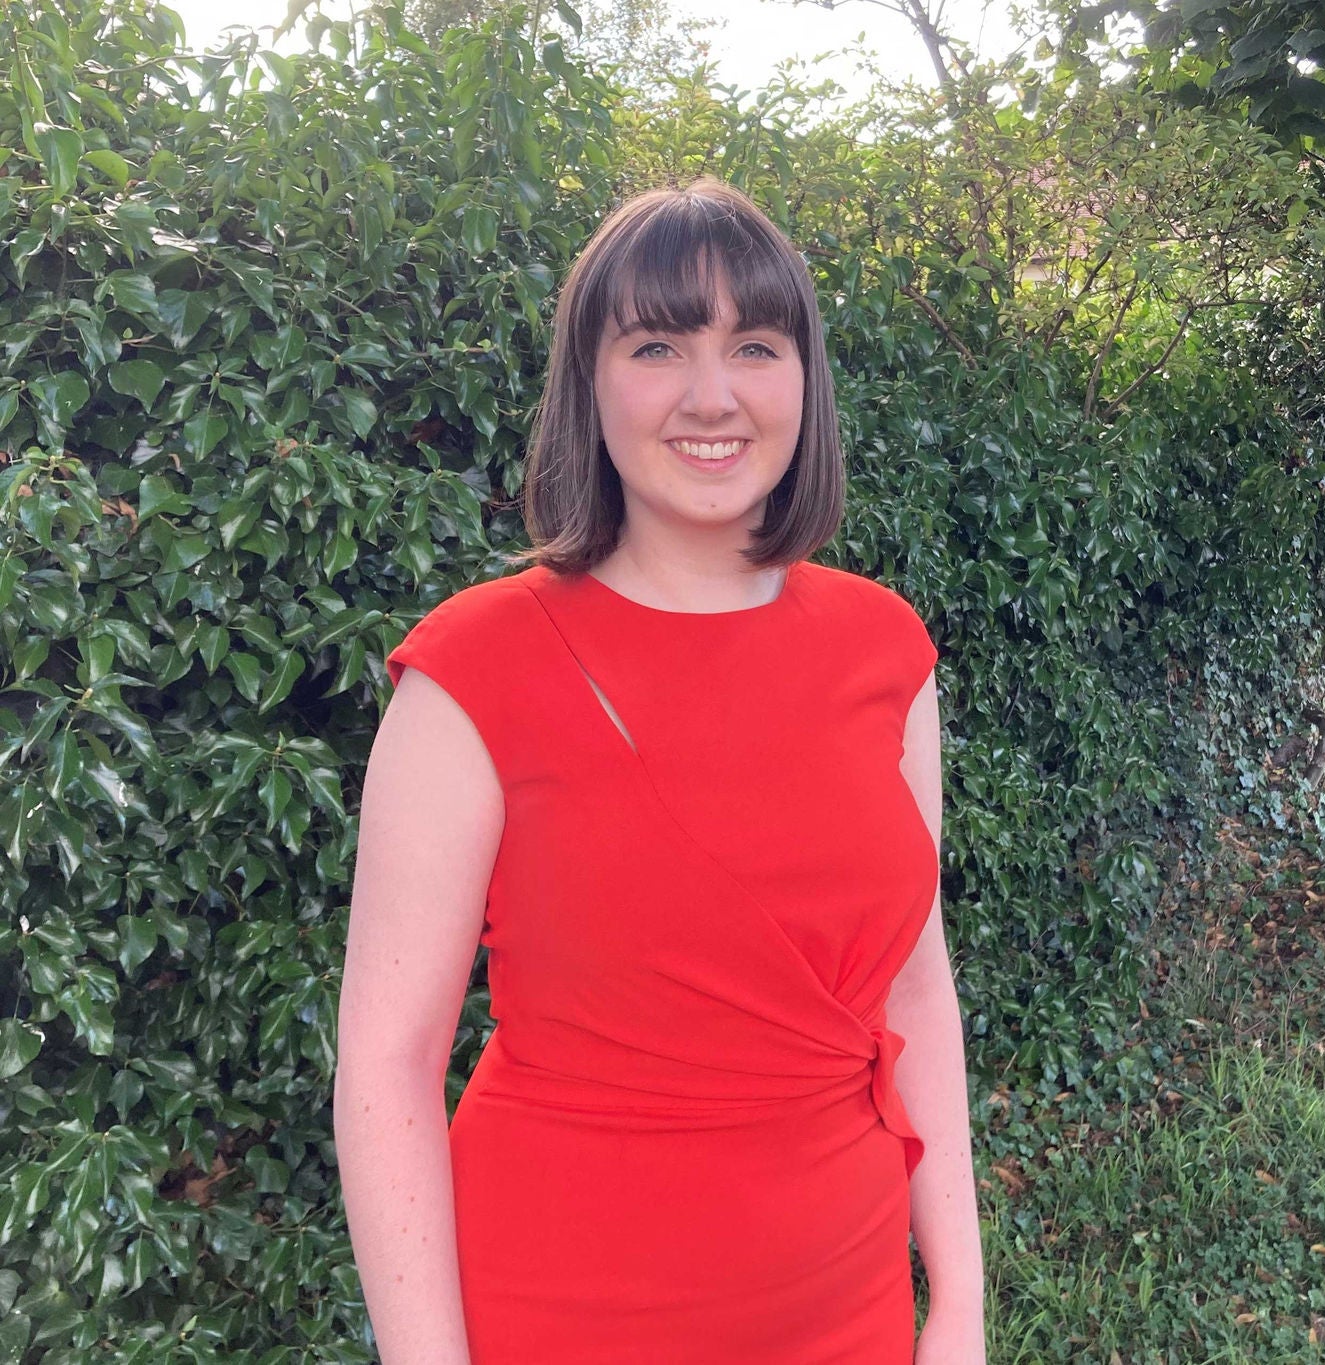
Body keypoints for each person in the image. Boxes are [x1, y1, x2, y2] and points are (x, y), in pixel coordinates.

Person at [335, 179, 987, 1364]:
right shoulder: (473, 671)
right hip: (563, 1305)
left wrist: (958, 1306)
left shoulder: (886, 650)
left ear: (804, 380)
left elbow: (914, 989)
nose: (711, 395)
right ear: (591, 383)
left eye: (754, 345)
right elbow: (386, 1065)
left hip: (844, 1302)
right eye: (657, 345)